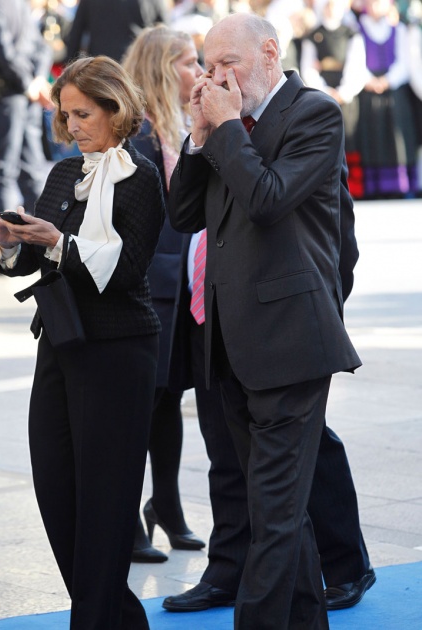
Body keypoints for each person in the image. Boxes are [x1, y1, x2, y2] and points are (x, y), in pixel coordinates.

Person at [168, 12, 362, 630]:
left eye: (230, 64)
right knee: (279, 509)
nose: (217, 78)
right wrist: (201, 136)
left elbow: (270, 198)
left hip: (290, 342)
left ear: (270, 52)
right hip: (227, 339)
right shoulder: (226, 122)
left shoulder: (314, 112)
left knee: (273, 517)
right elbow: (182, 216)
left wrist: (224, 127)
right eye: (209, 66)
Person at [0, 55, 165, 629]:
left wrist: (58, 241)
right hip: (62, 345)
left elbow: (123, 271)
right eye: (65, 116)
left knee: (107, 504)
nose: (71, 127)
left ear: (117, 111)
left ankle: (94, 621)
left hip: (119, 352)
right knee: (56, 493)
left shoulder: (140, 178)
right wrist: (14, 243)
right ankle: (117, 617)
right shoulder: (64, 173)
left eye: (83, 114)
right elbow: (34, 260)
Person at [162, 165, 376, 612]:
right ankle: (228, 567)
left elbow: (339, 235)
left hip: (279, 322)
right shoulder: (194, 137)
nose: (200, 90)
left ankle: (344, 565)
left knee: (305, 450)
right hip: (209, 314)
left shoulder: (295, 124)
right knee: (224, 447)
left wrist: (323, 305)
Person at [122, 24, 205, 562]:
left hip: (182, 281)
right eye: (190, 62)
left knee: (169, 399)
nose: (199, 73)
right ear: (161, 67)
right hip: (149, 282)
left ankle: (167, 508)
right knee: (139, 403)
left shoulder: (182, 125)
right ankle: (127, 518)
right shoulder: (136, 133)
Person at [0, 0, 53, 274]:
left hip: (7, 97)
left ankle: (12, 247)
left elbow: (0, 50)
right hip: (24, 97)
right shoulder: (16, 3)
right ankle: (43, 243)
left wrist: (28, 81)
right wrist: (36, 79)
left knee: (1, 174)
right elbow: (40, 47)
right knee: (30, 171)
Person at [300, 0, 367, 198]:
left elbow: (357, 66)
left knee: (350, 139)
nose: (330, 7)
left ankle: (353, 187)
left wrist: (344, 92)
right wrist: (324, 91)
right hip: (323, 97)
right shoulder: (313, 35)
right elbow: (308, 68)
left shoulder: (351, 33)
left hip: (346, 97)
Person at [356, 0, 418, 198]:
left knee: (396, 138)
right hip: (367, 92)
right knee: (371, 137)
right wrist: (369, 81)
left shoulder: (398, 29)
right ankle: (374, 186)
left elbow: (405, 63)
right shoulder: (357, 28)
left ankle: (398, 186)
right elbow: (356, 60)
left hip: (393, 92)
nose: (375, 6)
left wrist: (387, 80)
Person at [65, 0, 169, 62]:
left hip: (101, 66)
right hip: (138, 65)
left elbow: (75, 35)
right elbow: (164, 34)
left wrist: (69, 68)